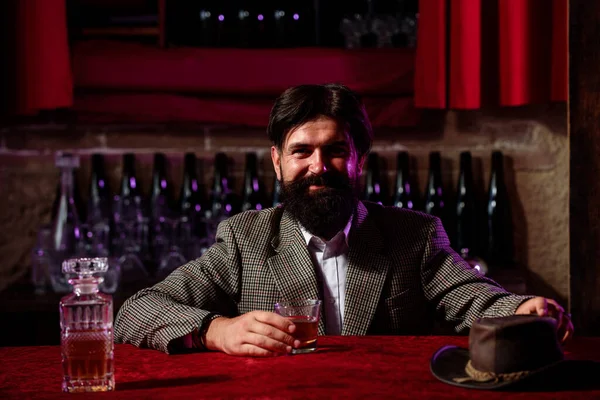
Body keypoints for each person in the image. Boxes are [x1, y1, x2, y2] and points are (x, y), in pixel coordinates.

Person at [114, 83, 573, 356]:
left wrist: (518, 309)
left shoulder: (414, 234)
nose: (319, 166)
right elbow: (135, 313)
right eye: (301, 152)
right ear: (277, 162)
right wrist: (218, 330)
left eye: (335, 151)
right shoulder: (243, 240)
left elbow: (469, 296)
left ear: (359, 161)